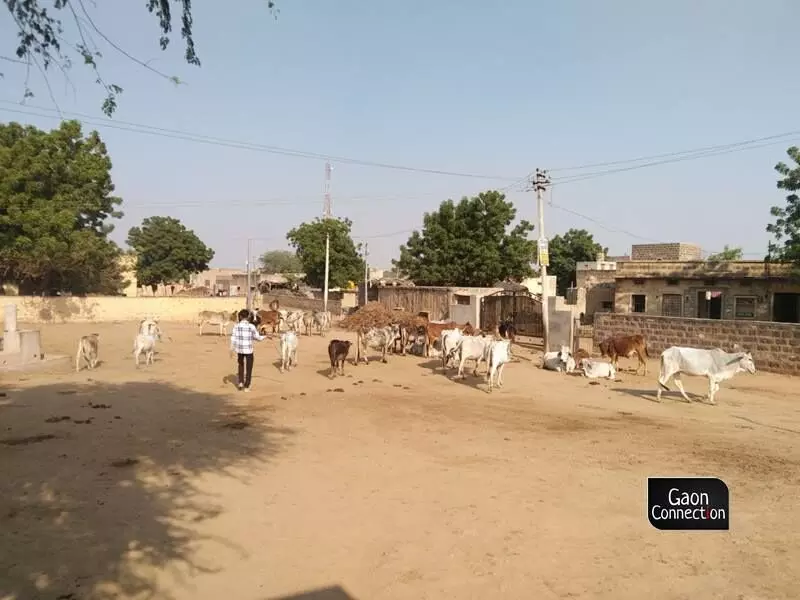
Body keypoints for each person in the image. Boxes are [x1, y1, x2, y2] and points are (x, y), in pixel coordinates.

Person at [229, 309, 265, 392]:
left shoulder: (236, 326)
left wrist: (231, 349)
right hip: (249, 350)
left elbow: (233, 338)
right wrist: (265, 336)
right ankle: (247, 386)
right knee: (249, 368)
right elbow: (257, 338)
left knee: (240, 365)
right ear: (248, 317)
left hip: (240, 350)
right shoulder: (251, 326)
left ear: (240, 317)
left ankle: (240, 382)